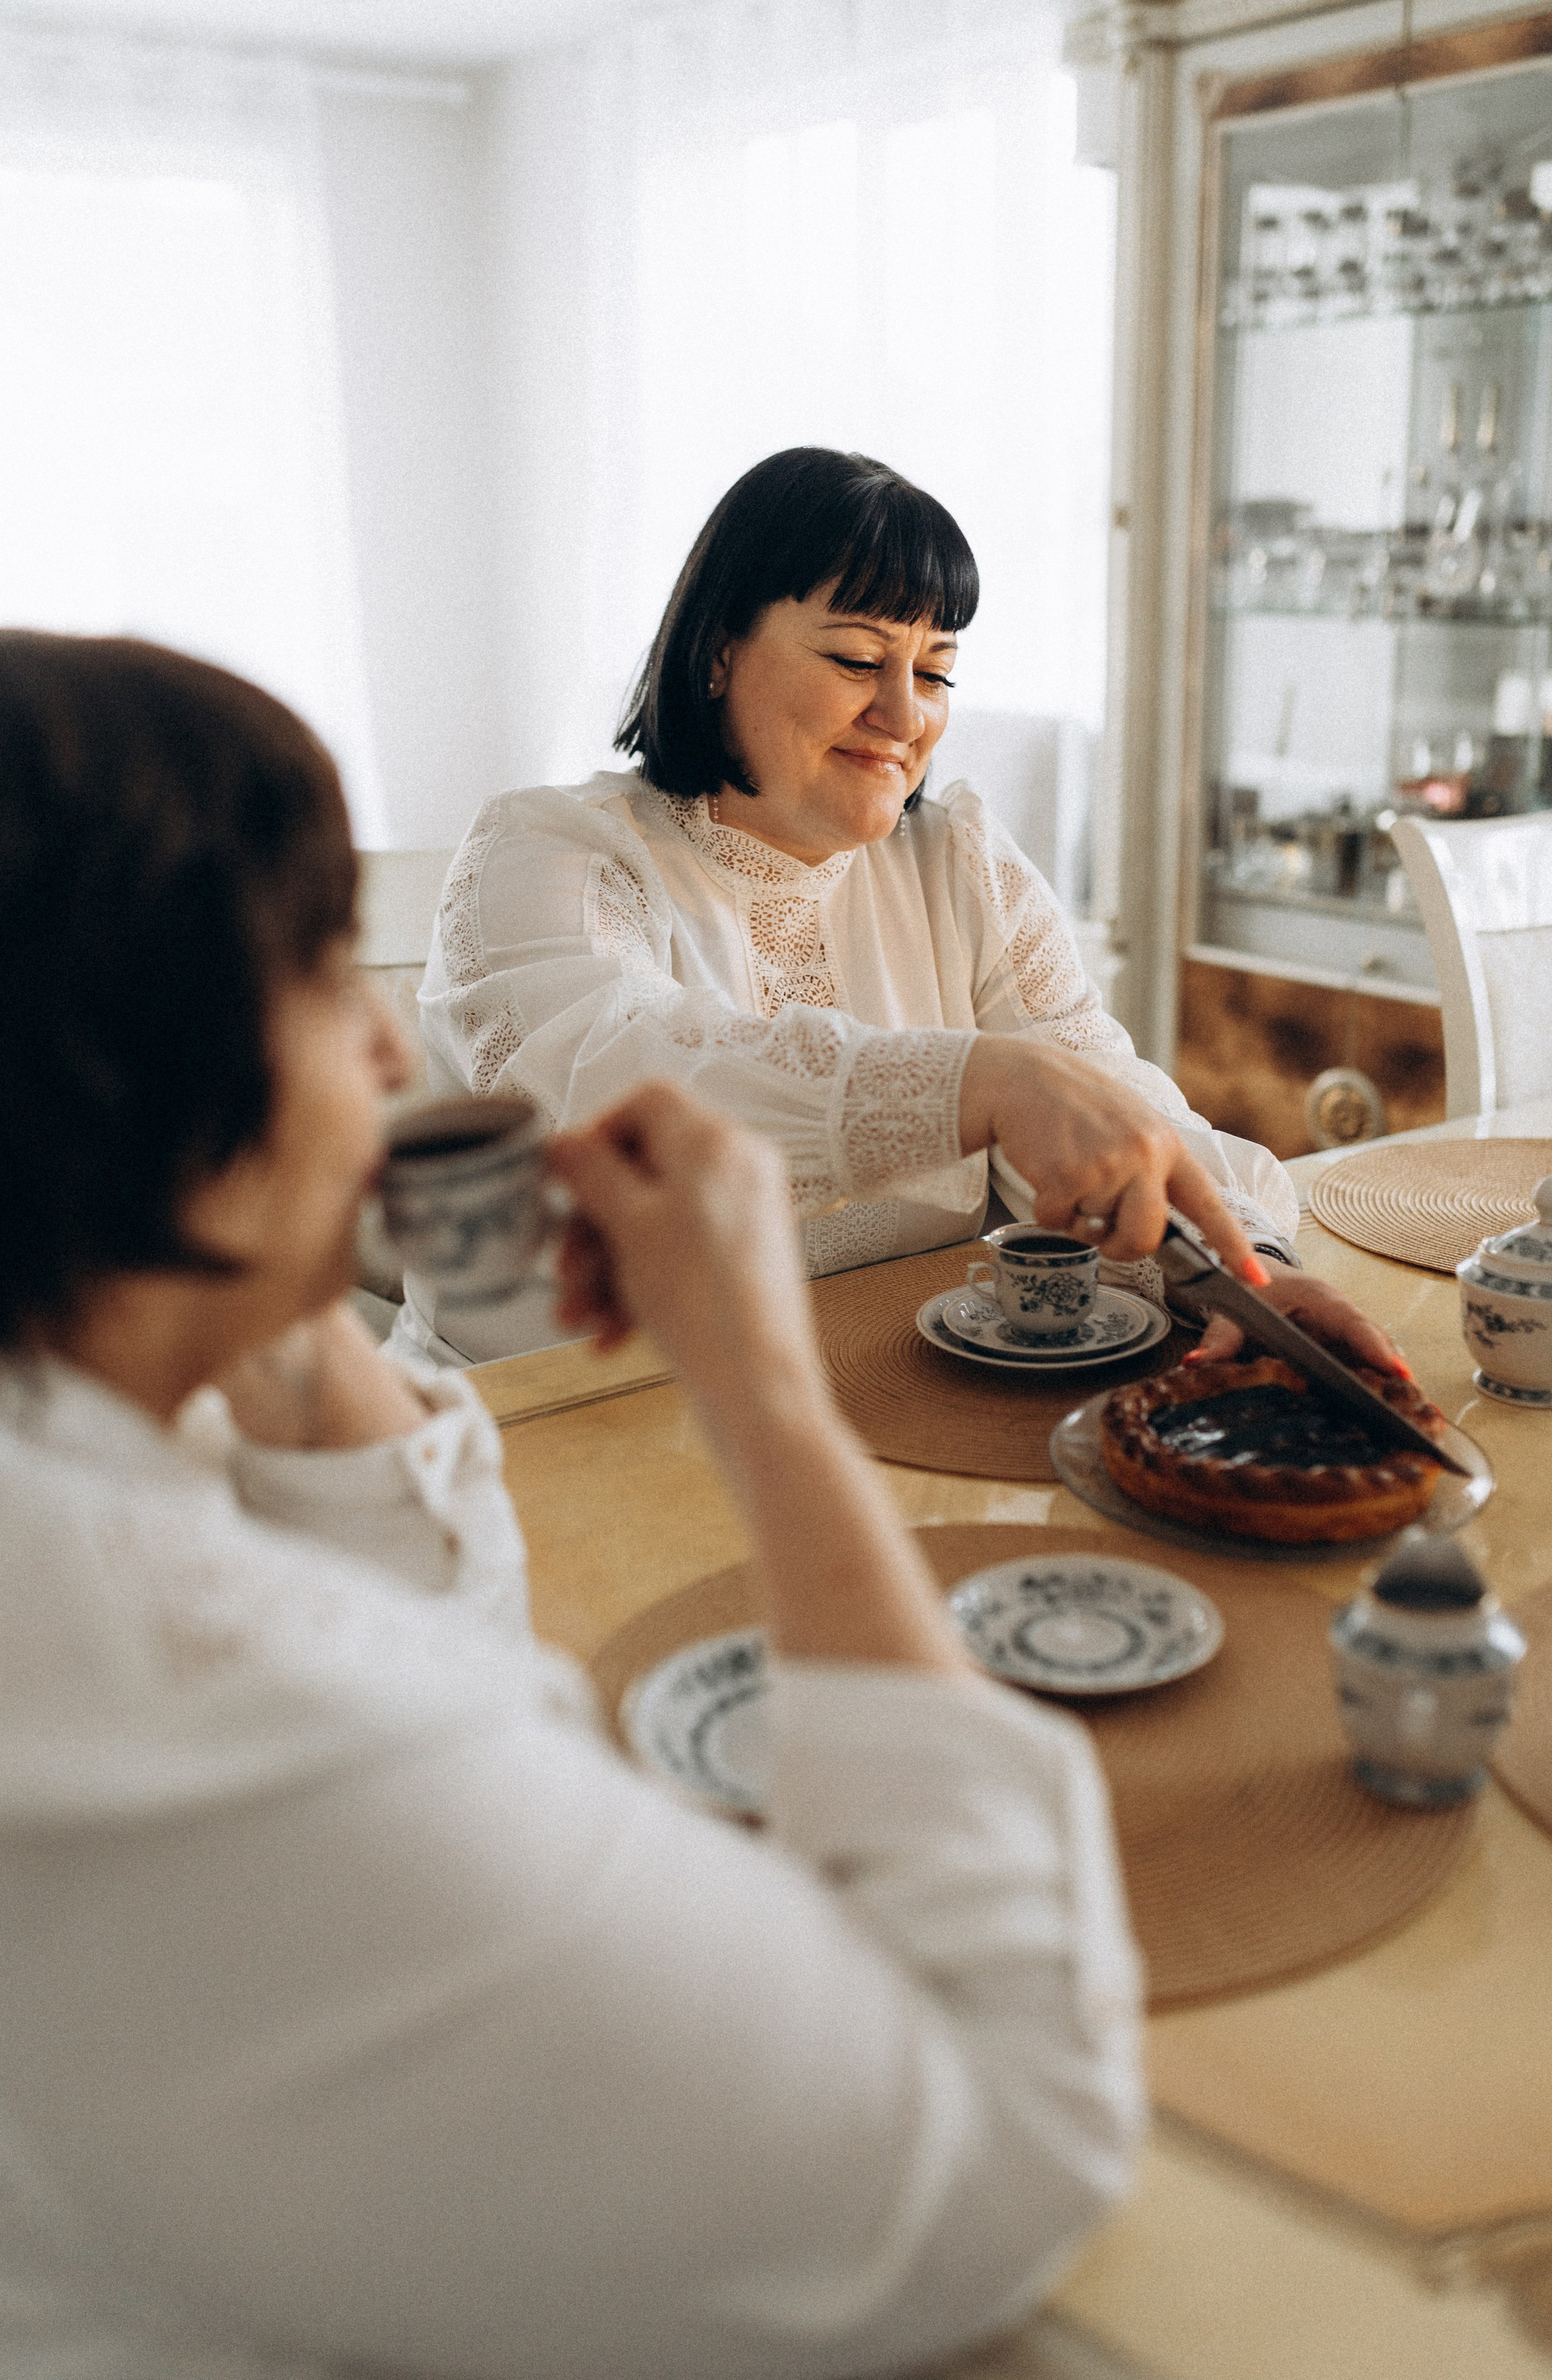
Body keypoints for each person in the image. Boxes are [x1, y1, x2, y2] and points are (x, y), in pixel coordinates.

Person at [0, 630, 1145, 2380]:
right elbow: (1005, 2148)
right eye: (319, 971)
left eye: (939, 667)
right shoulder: (183, 1691)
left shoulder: (87, 1491)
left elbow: (434, 1689)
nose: (392, 1047)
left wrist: (285, 1323)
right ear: (112, 1065)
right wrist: (764, 1391)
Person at [402, 445, 1395, 1376]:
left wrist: (1254, 1274)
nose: (906, 715)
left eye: (933, 672)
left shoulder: (958, 863)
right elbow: (618, 1081)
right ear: (716, 653)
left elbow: (1107, 1093)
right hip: (554, 1424)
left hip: (876, 1394)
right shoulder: (547, 851)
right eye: (854, 659)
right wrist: (977, 1082)